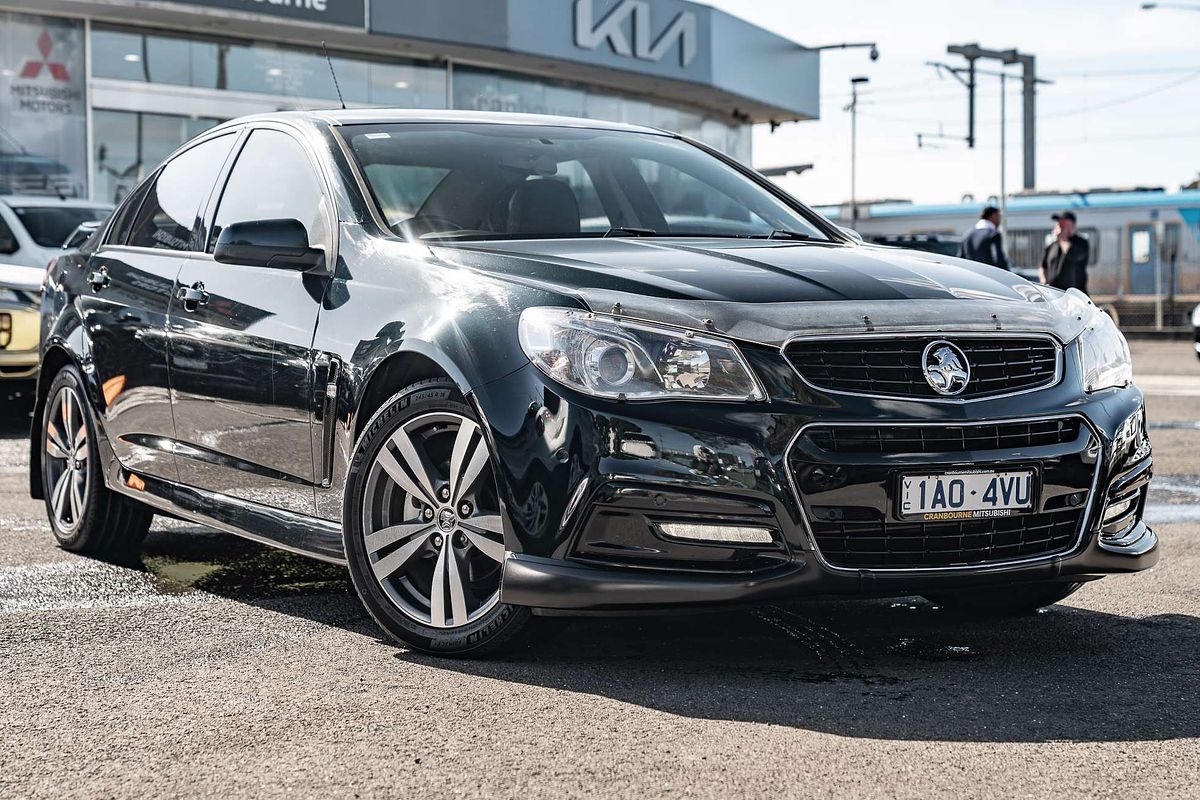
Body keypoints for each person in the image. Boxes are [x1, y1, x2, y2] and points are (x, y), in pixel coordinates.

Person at [1040, 210, 1090, 294]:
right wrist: (1044, 280)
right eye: (1059, 224)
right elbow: (1043, 266)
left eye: (1064, 225)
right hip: (1054, 294)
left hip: (1074, 296)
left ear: (1072, 227)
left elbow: (1073, 256)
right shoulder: (1052, 246)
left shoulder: (1081, 243)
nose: (1060, 227)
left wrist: (1063, 239)